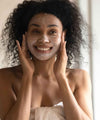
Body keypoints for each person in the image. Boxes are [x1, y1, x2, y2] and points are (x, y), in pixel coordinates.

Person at [0, 0, 93, 120]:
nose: (44, 39)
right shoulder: (5, 77)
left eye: (52, 32)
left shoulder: (80, 77)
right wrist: (27, 76)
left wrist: (61, 77)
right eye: (36, 31)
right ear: (25, 35)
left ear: (63, 35)